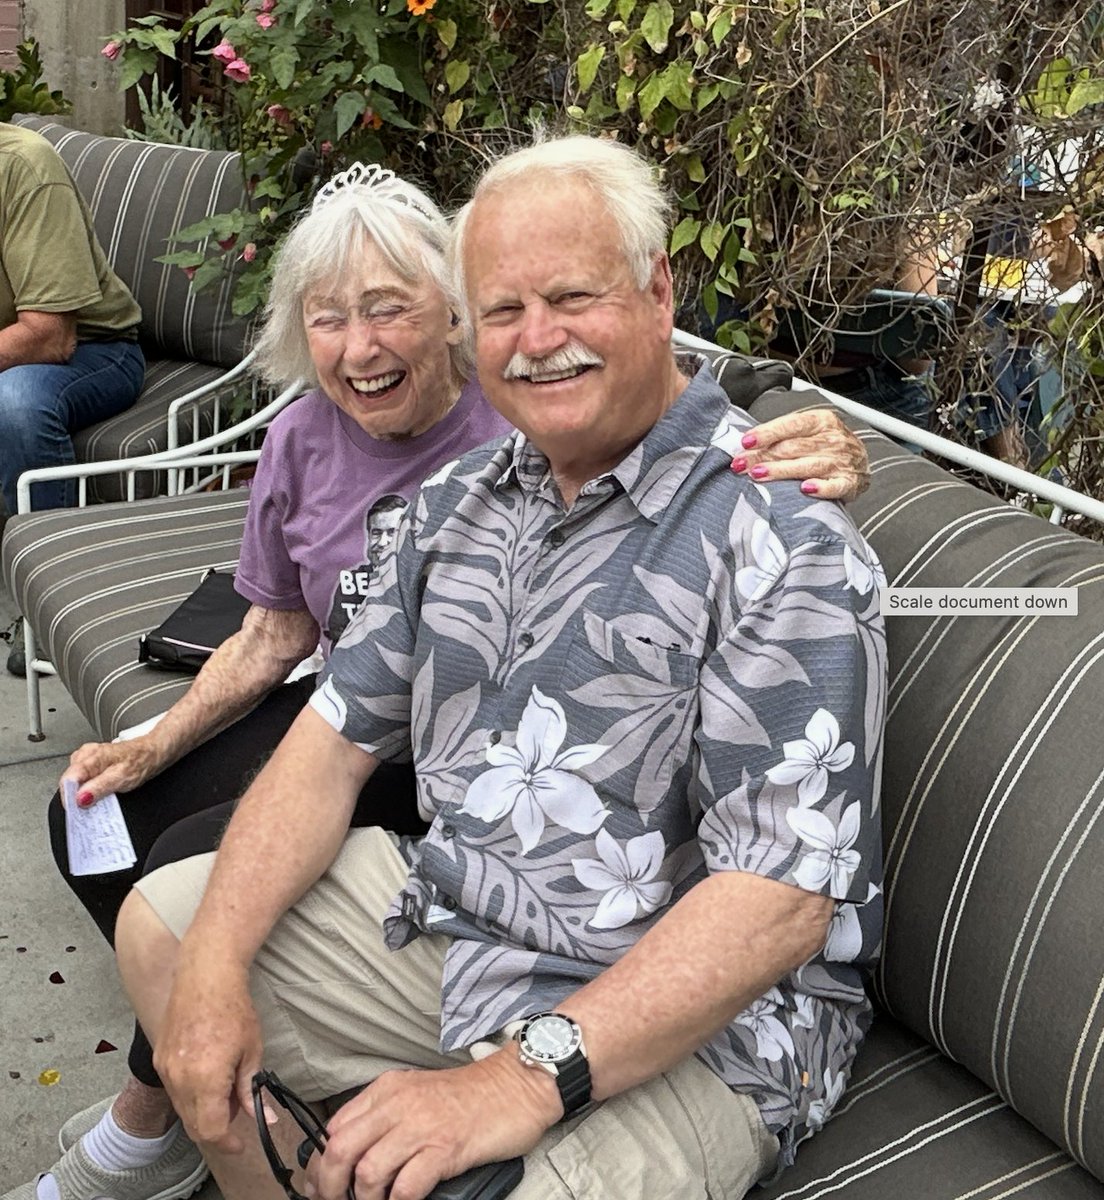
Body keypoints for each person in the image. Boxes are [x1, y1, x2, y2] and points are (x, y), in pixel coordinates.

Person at [6, 162, 872, 1200]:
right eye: (504, 307)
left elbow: (779, 901)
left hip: (704, 1022)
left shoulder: (781, 530)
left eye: (572, 296)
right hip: (469, 925)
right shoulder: (460, 502)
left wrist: (515, 1077)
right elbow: (327, 739)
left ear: (658, 291)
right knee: (172, 931)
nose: (537, 335)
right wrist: (215, 966)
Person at [0, 122, 145, 517]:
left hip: (94, 349)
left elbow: (48, 337)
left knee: (13, 404)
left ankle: (42, 564)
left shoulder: (24, 167)